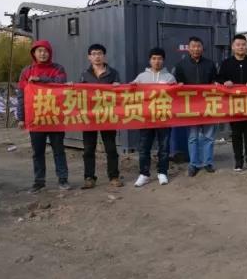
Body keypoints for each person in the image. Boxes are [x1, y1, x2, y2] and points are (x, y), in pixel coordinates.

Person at [17, 40, 70, 193]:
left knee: (59, 150)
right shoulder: (27, 71)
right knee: (38, 152)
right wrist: (21, 117)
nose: (42, 54)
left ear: (50, 53)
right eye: (39, 51)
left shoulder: (58, 68)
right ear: (34, 53)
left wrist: (41, 79)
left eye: (45, 51)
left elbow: (60, 83)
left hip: (55, 117)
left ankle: (63, 179)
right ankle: (39, 182)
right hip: (36, 118)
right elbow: (21, 95)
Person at [78, 44, 123, 189]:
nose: (97, 56)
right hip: (90, 116)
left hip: (107, 115)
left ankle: (114, 176)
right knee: (88, 149)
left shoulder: (113, 73)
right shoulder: (84, 74)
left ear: (104, 56)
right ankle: (89, 177)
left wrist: (118, 87)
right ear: (89, 57)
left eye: (99, 53)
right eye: (94, 54)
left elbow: (120, 94)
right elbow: (79, 94)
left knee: (111, 148)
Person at [219, 34, 247, 172]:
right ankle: (238, 161)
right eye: (238, 45)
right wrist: (225, 82)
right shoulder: (226, 63)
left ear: (246, 47)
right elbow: (219, 78)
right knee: (236, 134)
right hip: (233, 104)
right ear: (233, 47)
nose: (241, 47)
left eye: (243, 45)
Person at [173, 36, 218, 176]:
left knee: (208, 136)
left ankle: (208, 162)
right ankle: (194, 164)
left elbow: (215, 80)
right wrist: (179, 85)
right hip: (191, 106)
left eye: (198, 46)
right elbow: (177, 84)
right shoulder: (181, 65)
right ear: (188, 48)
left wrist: (215, 83)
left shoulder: (210, 64)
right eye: (193, 46)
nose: (196, 49)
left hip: (208, 105)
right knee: (193, 137)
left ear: (202, 48)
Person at [131, 47, 176, 186]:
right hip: (146, 118)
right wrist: (132, 86)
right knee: (144, 147)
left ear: (163, 60)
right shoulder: (141, 77)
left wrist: (176, 87)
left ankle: (162, 172)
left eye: (160, 58)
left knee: (164, 147)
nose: (157, 61)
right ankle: (144, 174)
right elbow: (131, 92)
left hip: (164, 117)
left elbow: (176, 97)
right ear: (150, 60)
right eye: (154, 58)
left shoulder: (169, 77)